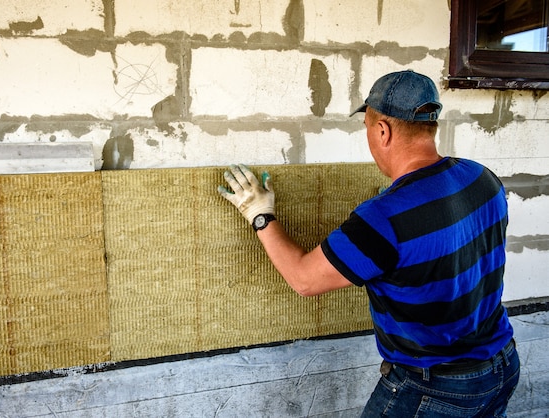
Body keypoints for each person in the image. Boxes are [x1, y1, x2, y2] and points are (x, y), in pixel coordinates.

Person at [218, 70, 520, 417]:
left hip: (435, 390)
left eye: (367, 129)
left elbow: (304, 279)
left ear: (382, 130)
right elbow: (446, 231)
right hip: (502, 365)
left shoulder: (383, 219)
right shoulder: (482, 178)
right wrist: (397, 213)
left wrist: (261, 214)